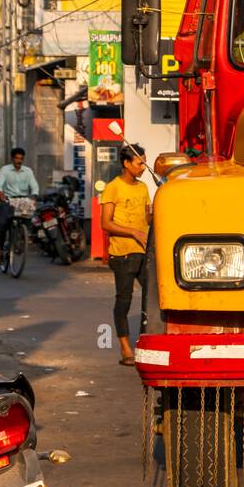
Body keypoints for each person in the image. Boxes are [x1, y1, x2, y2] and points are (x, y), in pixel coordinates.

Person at [100, 143, 151, 366]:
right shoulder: (113, 187)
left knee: (152, 297)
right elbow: (105, 223)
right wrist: (133, 231)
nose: (143, 167)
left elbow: (147, 218)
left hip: (143, 252)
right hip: (122, 254)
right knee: (124, 300)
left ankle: (147, 342)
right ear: (126, 164)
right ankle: (125, 348)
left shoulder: (143, 188)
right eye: (140, 163)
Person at [0, 149, 39, 265]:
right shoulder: (5, 170)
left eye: (21, 158)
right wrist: (0, 193)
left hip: (23, 200)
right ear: (12, 158)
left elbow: (34, 186)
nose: (19, 161)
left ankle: (20, 242)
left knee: (30, 223)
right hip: (8, 200)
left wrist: (33, 196)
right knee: (2, 224)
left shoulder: (28, 171)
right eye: (17, 158)